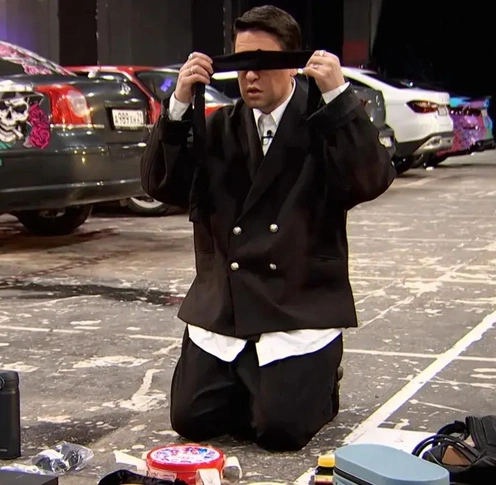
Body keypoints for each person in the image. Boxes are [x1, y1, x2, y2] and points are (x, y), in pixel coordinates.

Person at [140, 5, 395, 451]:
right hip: (228, 303)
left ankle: (316, 380)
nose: (251, 76)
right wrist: (177, 106)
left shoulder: (321, 124)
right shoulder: (219, 127)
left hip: (296, 302)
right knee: (190, 420)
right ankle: (254, 384)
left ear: (292, 64)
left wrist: (339, 98)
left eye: (263, 63)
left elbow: (371, 179)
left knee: (280, 432)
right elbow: (160, 184)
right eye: (242, 64)